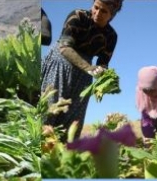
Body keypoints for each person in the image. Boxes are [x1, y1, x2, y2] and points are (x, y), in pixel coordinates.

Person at [41, 0, 122, 140]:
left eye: (104, 11)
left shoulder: (111, 36)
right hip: (60, 63)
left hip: (83, 76)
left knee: (72, 120)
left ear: (112, 15)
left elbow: (103, 63)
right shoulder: (77, 16)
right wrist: (89, 68)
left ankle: (63, 155)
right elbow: (65, 47)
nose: (97, 13)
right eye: (96, 7)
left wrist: (104, 76)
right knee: (49, 110)